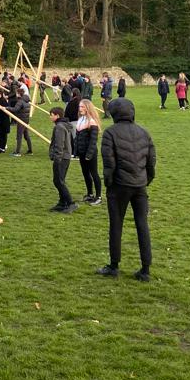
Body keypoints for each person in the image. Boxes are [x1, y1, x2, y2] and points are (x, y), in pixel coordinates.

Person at [96, 99, 155, 282]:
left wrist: (109, 182)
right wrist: (146, 180)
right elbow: (151, 161)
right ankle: (145, 268)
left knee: (116, 224)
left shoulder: (110, 133)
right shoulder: (143, 132)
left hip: (120, 186)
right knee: (142, 225)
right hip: (139, 185)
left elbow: (109, 163)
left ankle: (114, 265)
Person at [47, 108, 77, 213]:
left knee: (58, 181)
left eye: (51, 115)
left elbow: (59, 144)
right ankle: (62, 202)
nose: (50, 117)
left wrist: (57, 158)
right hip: (65, 156)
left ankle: (70, 203)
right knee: (60, 180)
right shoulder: (64, 125)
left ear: (57, 116)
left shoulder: (59, 127)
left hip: (61, 158)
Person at [76, 100, 102, 205]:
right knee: (85, 173)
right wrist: (76, 151)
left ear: (87, 108)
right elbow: (77, 138)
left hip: (90, 153)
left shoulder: (92, 122)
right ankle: (90, 194)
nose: (80, 108)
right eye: (79, 106)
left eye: (82, 107)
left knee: (94, 173)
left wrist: (89, 154)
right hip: (82, 152)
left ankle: (99, 196)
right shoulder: (81, 119)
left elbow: (93, 141)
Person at [11, 87, 33, 157]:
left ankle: (17, 152)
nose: (16, 94)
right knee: (27, 136)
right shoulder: (26, 100)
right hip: (26, 120)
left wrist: (6, 108)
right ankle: (30, 150)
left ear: (19, 94)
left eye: (17, 93)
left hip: (21, 121)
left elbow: (15, 109)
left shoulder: (20, 101)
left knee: (19, 136)